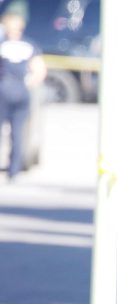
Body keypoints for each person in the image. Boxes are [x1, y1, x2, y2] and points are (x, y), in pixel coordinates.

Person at [0, 10, 45, 181]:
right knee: (17, 132)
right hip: (21, 90)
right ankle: (14, 169)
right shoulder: (29, 45)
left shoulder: (2, 44)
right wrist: (28, 82)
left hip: (3, 89)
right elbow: (40, 70)